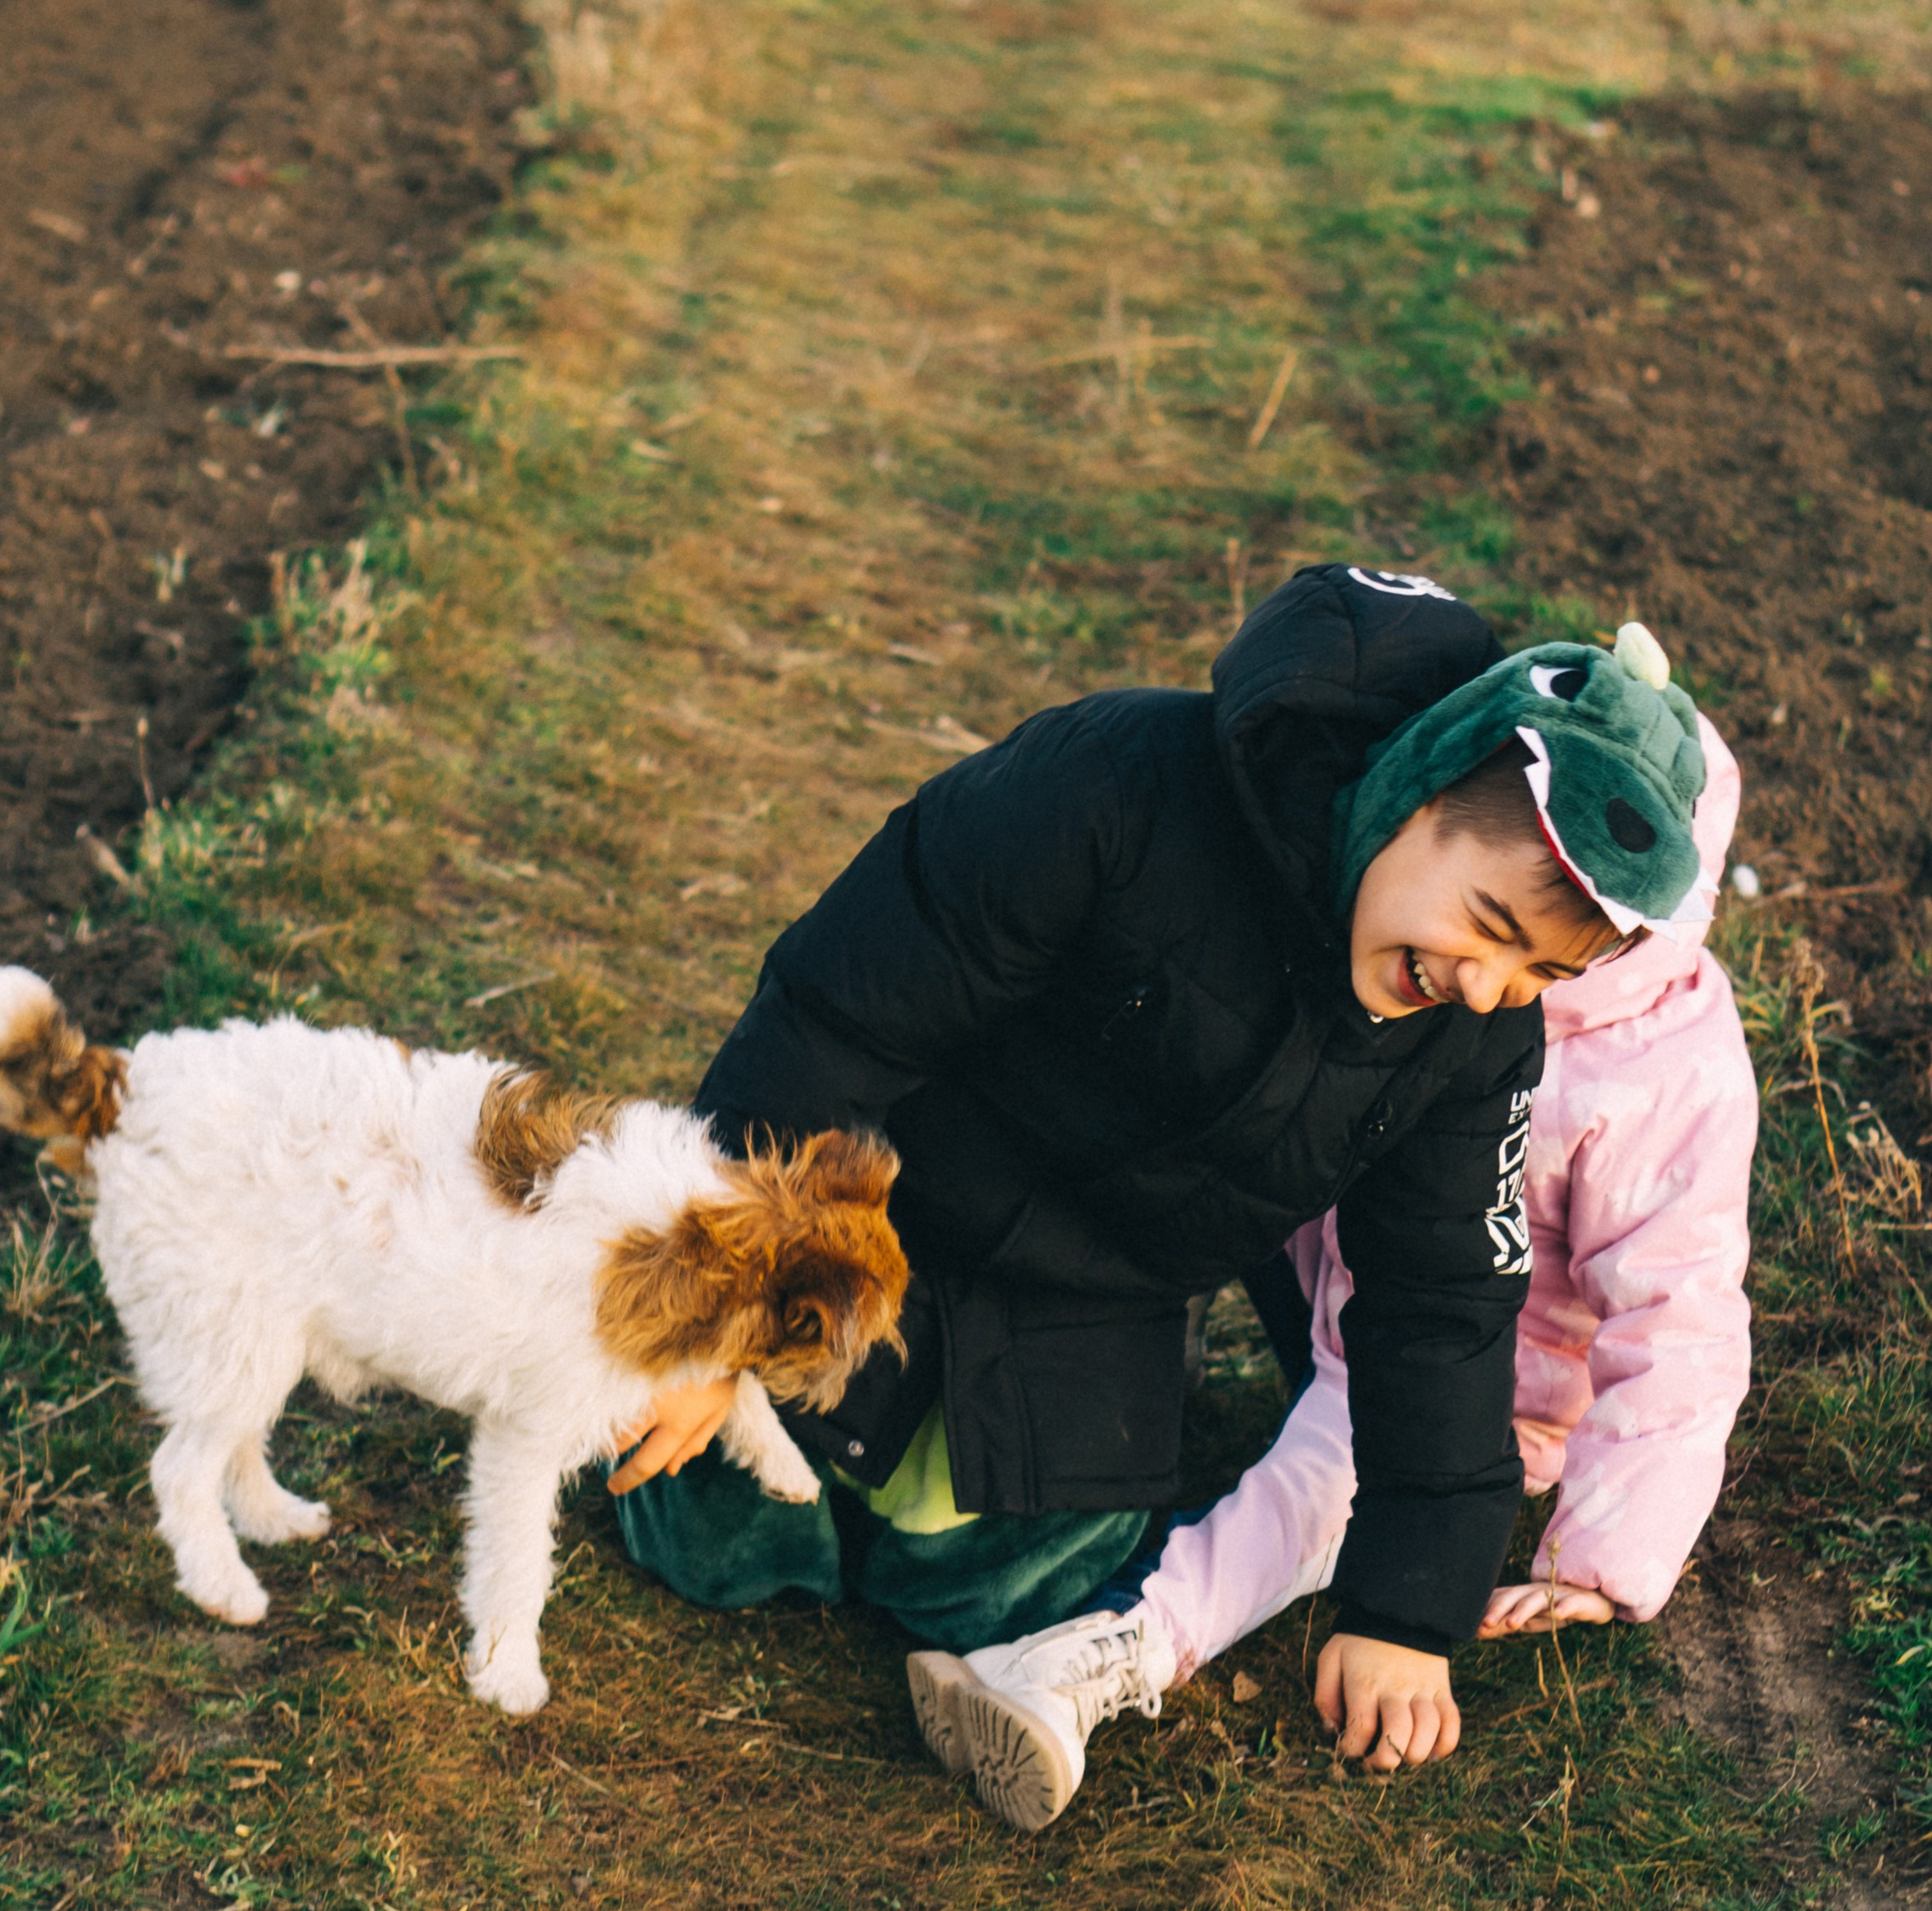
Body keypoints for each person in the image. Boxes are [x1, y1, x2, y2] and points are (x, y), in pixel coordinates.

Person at [609, 567, 1713, 1831]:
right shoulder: (1119, 783)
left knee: (999, 1593)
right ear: (1415, 788)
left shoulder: (1473, 1043)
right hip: (879, 1210)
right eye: (1486, 923)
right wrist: (718, 1306)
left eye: (1540, 973)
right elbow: (836, 1015)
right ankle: (771, 1438)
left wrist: (1407, 1610)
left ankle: (916, 1507)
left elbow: (1445, 1300)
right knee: (693, 1529)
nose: (1486, 985)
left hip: (1098, 1300)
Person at [928, 710, 1755, 1800]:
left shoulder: (1666, 1074)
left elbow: (1681, 1318)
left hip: (1467, 1371)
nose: (1497, 975)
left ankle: (1088, 1663)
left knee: (1308, 1491)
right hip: (1333, 1262)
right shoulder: (1428, 937)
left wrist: (1603, 1550)